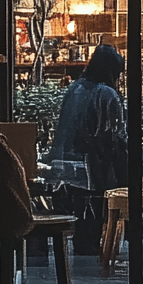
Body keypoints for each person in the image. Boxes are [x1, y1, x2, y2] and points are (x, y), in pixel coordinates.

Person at [46, 44, 127, 252]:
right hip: (91, 167)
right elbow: (114, 136)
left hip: (64, 164)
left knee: (81, 217)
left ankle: (85, 243)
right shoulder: (107, 94)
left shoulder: (74, 88)